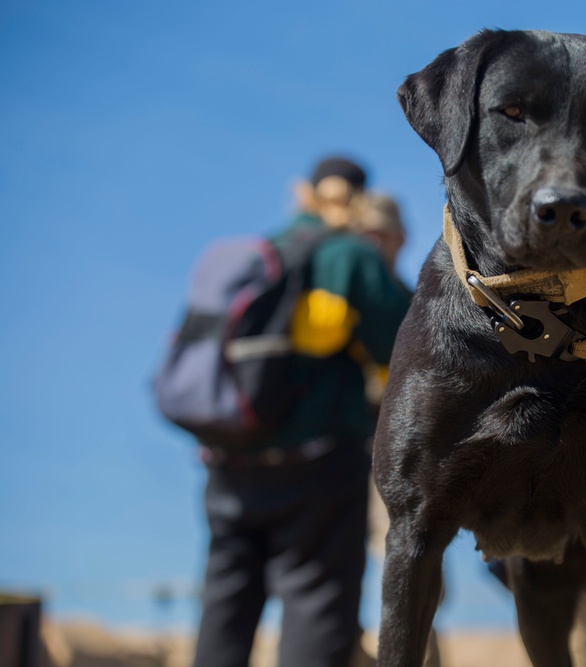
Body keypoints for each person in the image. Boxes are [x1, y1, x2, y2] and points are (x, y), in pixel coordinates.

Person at [191, 156, 411, 667]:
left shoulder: (260, 252)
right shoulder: (348, 255)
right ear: (358, 200)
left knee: (224, 610)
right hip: (320, 464)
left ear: (302, 194)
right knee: (316, 607)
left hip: (229, 461)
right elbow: (401, 349)